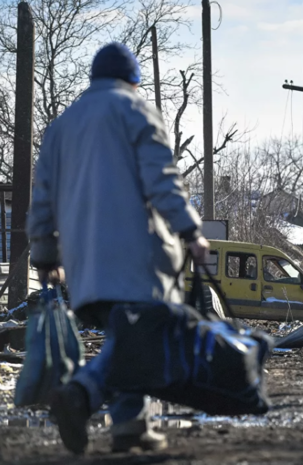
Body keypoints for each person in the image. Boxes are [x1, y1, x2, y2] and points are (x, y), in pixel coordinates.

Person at [27, 43, 209, 455]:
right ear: (133, 80)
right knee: (140, 340)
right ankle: (81, 394)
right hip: (137, 257)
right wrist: (190, 230)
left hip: (84, 263)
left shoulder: (62, 126)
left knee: (126, 338)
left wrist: (45, 253)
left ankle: (131, 427)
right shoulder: (135, 111)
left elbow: (42, 199)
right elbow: (161, 179)